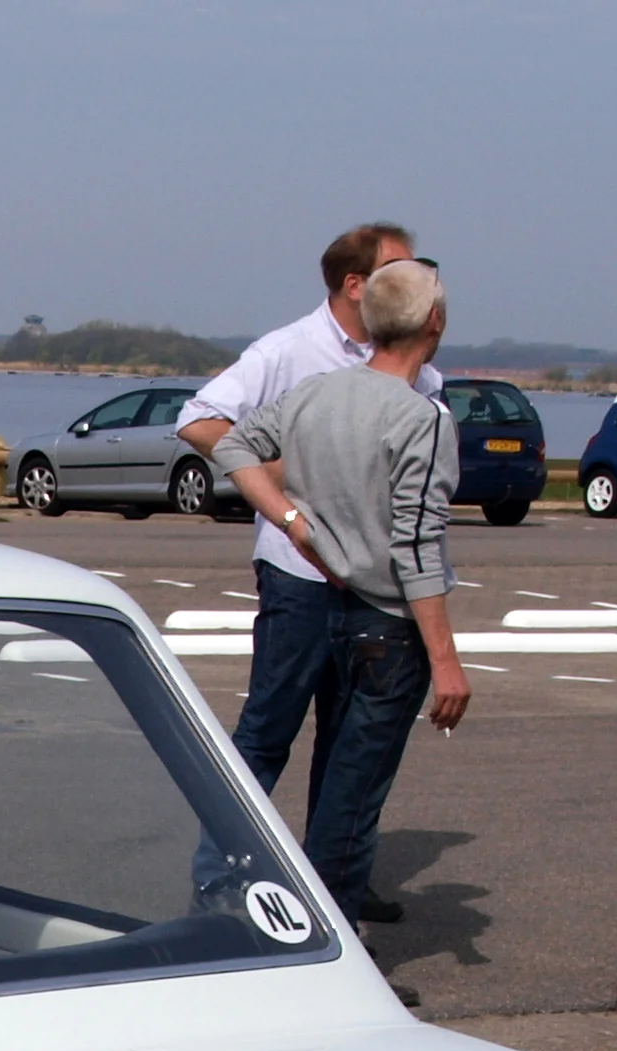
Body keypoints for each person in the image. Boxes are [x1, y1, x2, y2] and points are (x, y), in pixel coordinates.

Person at [208, 258, 470, 1009]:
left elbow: (229, 446)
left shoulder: (316, 391)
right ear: (434, 324)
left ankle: (225, 902)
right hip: (385, 622)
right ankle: (330, 956)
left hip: (305, 589)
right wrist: (447, 661)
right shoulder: (423, 419)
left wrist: (290, 520)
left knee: (265, 741)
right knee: (349, 793)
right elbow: (420, 547)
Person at [180, 223, 437, 923]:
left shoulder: (412, 362)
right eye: (401, 269)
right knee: (268, 731)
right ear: (356, 284)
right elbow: (200, 421)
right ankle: (221, 882)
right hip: (298, 575)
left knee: (350, 740)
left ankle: (331, 883)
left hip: (372, 586)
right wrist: (290, 482)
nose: (418, 282)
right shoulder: (290, 349)